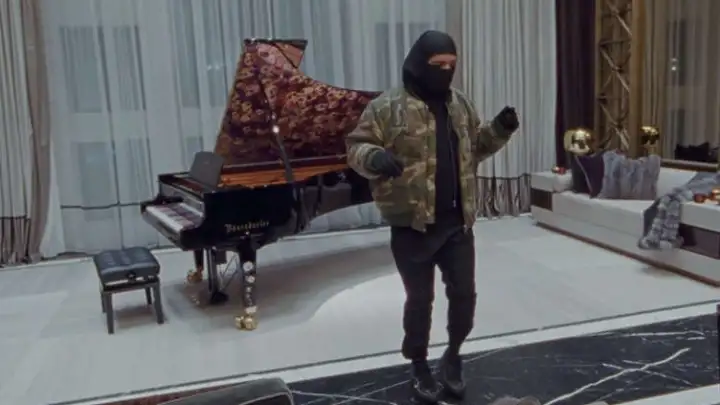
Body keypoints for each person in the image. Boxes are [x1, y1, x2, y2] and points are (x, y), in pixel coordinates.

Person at [346, 30, 519, 403]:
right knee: (419, 301)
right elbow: (356, 147)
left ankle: (453, 355)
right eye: (437, 64)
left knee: (464, 296)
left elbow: (475, 148)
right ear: (418, 62)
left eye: (451, 65)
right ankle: (419, 363)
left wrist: (499, 130)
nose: (446, 71)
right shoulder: (387, 106)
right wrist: (374, 157)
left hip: (457, 223)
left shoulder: (461, 104)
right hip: (412, 225)